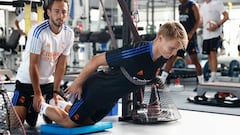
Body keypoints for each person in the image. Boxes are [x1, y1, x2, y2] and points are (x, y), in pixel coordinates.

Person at [38, 21, 188, 128]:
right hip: (96, 90)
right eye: (173, 48)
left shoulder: (163, 56)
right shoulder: (135, 53)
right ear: (160, 39)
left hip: (110, 99)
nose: (174, 53)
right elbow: (96, 60)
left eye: (177, 50)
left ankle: (58, 104)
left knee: (87, 121)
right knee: (69, 122)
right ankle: (40, 105)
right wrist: (77, 83)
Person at [11, 0, 74, 127]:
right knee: (15, 125)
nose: (60, 15)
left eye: (63, 12)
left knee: (69, 113)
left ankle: (44, 106)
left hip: (48, 84)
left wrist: (56, 91)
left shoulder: (69, 33)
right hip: (26, 83)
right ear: (49, 12)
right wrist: (38, 94)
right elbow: (33, 65)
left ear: (67, 14)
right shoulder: (38, 32)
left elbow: (61, 65)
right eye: (57, 11)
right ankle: (31, 107)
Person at [160, 0, 203, 84]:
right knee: (171, 57)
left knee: (195, 61)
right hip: (181, 39)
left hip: (191, 39)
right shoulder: (180, 7)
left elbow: (198, 21)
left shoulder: (193, 5)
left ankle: (202, 82)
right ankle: (162, 81)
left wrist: (191, 33)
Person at [200, 0, 229, 82]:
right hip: (206, 35)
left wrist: (217, 25)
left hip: (215, 34)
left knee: (213, 54)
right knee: (209, 55)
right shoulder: (203, 6)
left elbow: (226, 16)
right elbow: (202, 20)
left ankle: (214, 76)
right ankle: (212, 74)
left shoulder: (217, 3)